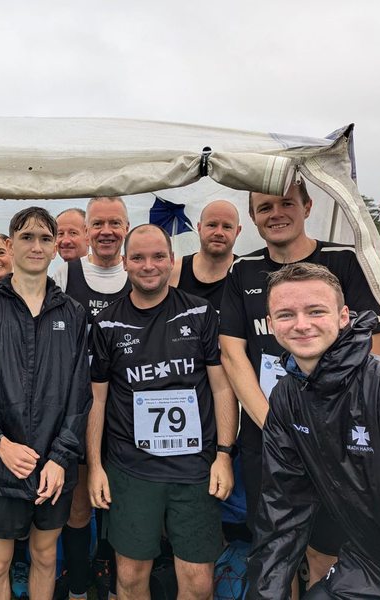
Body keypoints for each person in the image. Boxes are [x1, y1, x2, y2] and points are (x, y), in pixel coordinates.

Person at [219, 180, 380, 589]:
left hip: (334, 439)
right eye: (264, 207)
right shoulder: (242, 270)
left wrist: (330, 422)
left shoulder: (344, 260)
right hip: (267, 436)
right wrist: (277, 426)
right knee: (275, 549)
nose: (276, 214)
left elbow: (375, 344)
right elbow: (232, 353)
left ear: (308, 206)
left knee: (325, 553)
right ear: (253, 218)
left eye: (286, 203)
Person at [247, 263, 380, 599]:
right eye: (286, 315)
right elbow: (282, 510)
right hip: (369, 562)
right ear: (270, 325)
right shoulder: (287, 396)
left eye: (316, 311)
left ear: (343, 317)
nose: (301, 324)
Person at [0, 206, 92, 600]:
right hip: (0, 463)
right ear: (11, 246)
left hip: (53, 465)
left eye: (45, 238)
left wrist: (60, 458)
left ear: (56, 247)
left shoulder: (73, 314)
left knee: (44, 556)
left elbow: (80, 393)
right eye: (27, 237)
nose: (36, 246)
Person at [88, 224, 237, 600]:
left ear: (172, 260)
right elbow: (98, 400)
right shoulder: (107, 323)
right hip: (132, 469)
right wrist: (95, 466)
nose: (148, 265)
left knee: (198, 582)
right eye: (138, 257)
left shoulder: (200, 312)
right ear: (124, 262)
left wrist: (224, 455)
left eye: (158, 256)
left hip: (195, 468)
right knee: (130, 577)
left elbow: (222, 387)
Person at [52, 196, 131, 600]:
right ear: (87, 231)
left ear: (126, 228)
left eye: (115, 223)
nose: (106, 231)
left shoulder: (139, 271)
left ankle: (118, 583)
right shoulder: (65, 273)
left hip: (128, 408)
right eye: (98, 223)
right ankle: (79, 586)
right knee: (80, 503)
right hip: (81, 407)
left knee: (124, 503)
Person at [169, 199, 241, 309]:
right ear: (199, 227)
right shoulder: (174, 272)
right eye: (212, 225)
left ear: (237, 231)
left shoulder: (246, 274)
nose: (219, 233)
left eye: (227, 227)